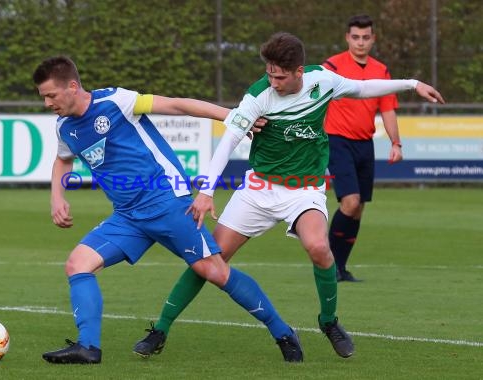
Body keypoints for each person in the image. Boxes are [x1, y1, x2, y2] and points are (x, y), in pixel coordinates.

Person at [133, 32, 444, 360]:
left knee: (319, 247)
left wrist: (411, 83)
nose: (273, 81)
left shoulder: (322, 81)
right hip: (258, 189)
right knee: (209, 260)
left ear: (299, 72)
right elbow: (228, 141)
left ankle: (329, 321)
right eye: (269, 73)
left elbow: (363, 88)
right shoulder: (257, 97)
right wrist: (207, 191)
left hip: (305, 188)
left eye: (279, 76)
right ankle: (161, 329)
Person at [33, 56, 304, 364]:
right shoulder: (65, 127)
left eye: (51, 95)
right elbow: (63, 160)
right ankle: (88, 347)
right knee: (77, 264)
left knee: (214, 272)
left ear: (72, 86)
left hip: (167, 201)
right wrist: (57, 196)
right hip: (127, 216)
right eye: (43, 96)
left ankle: (283, 332)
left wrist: (233, 117)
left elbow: (178, 105)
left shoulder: (116, 101)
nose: (47, 103)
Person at [323, 14, 401, 282]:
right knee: (350, 201)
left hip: (364, 144)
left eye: (365, 37)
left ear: (373, 39)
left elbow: (388, 110)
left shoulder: (381, 71)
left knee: (359, 208)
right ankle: (327, 265)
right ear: (347, 38)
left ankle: (340, 269)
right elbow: (313, 101)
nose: (360, 42)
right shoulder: (332, 66)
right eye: (355, 37)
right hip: (337, 141)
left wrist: (396, 142)